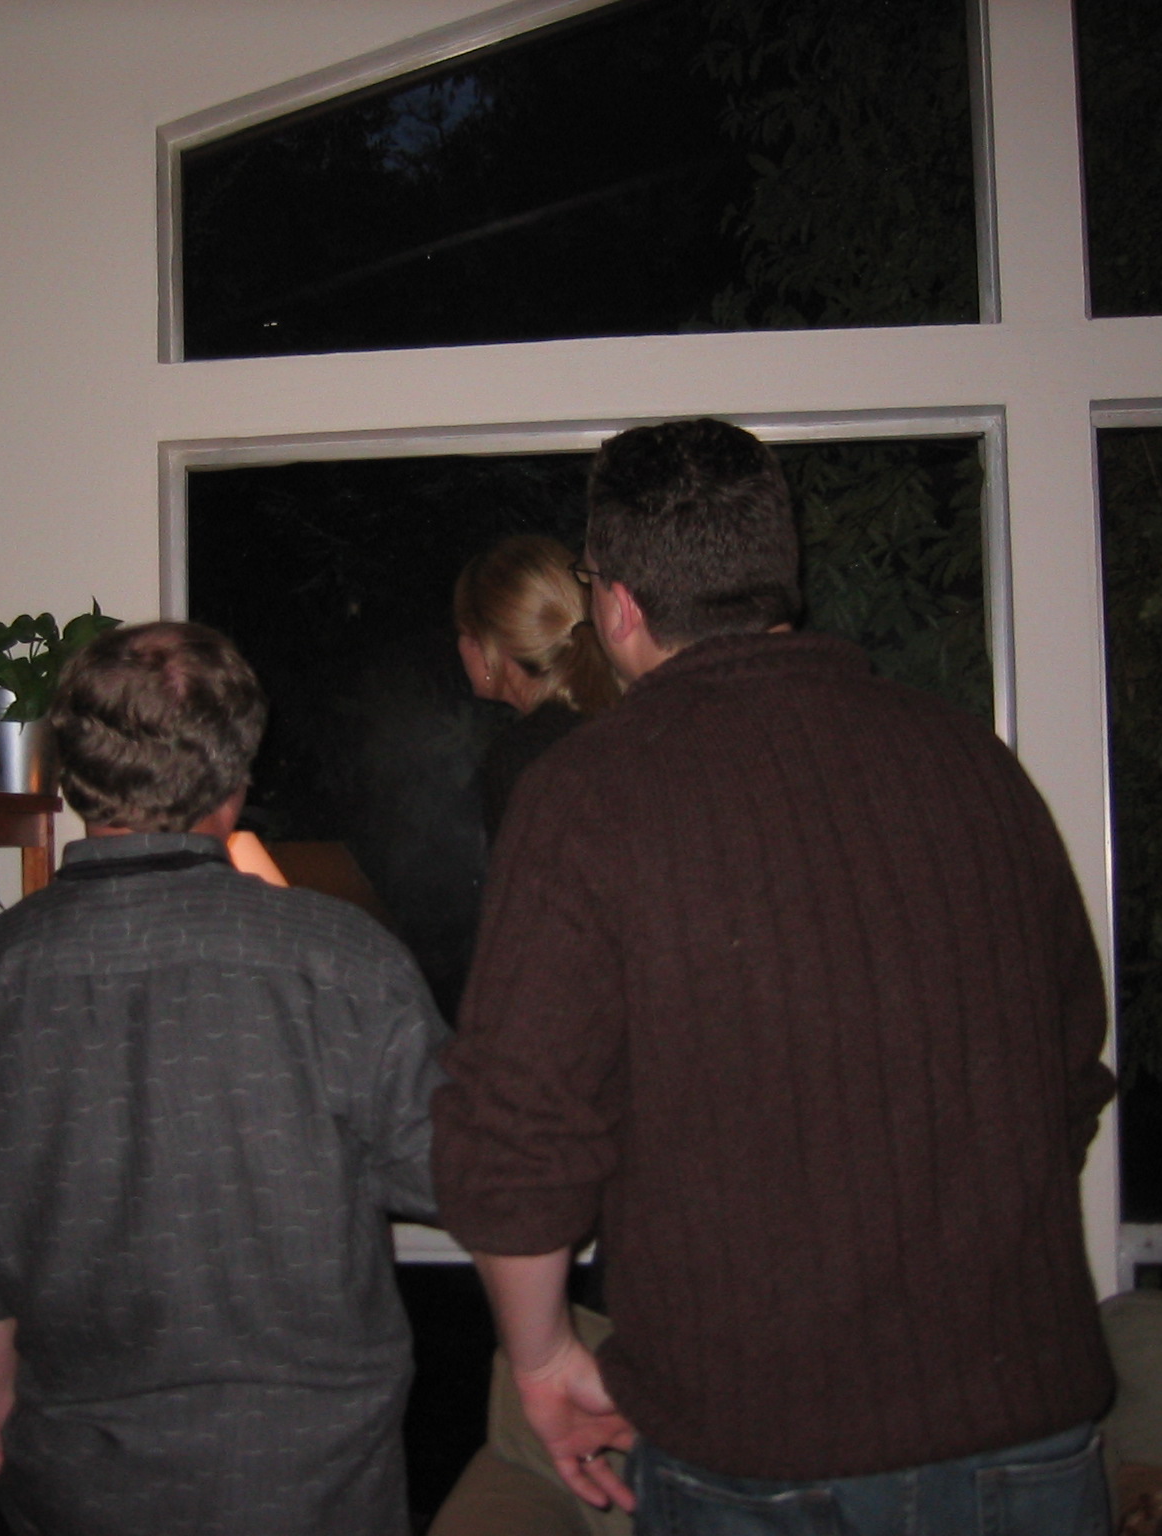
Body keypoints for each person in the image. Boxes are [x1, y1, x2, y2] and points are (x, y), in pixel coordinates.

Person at [431, 419, 1116, 1535]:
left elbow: (515, 1131)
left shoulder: (588, 795)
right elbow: (1067, 1072)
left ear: (617, 606)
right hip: (1026, 1437)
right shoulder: (975, 765)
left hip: (758, 1453)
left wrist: (543, 1360)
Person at [0, 620, 450, 1536]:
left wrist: (6, 1432)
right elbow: (462, 1177)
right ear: (237, 771)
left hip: (76, 1491)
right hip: (313, 1488)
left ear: (71, 773)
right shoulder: (345, 963)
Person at [454, 534, 620, 836]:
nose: (459, 648)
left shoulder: (522, 758)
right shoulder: (623, 720)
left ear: (488, 646)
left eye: (463, 632)